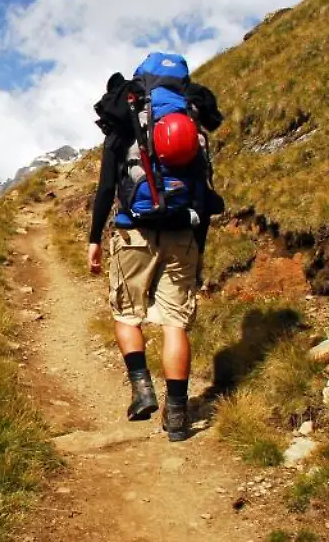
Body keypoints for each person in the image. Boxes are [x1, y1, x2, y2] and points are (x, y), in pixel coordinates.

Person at [88, 53, 222, 442]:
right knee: (175, 324)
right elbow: (203, 193)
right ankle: (178, 418)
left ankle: (142, 389)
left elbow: (105, 190)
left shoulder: (126, 120)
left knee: (127, 314)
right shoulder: (193, 123)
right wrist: (199, 248)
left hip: (133, 233)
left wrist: (94, 239)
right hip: (183, 233)